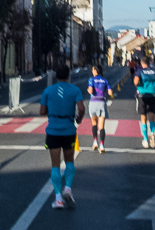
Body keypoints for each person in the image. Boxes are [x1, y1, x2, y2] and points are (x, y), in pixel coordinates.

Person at [39, 64, 85, 209]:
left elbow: (41, 111)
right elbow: (82, 108)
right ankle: (68, 188)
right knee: (69, 161)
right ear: (68, 76)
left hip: (53, 130)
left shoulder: (48, 90)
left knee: (55, 164)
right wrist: (78, 119)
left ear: (55, 76)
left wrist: (51, 110)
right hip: (69, 130)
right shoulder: (75, 90)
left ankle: (58, 198)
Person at [133, 56, 155, 149]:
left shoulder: (140, 71)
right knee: (152, 117)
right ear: (149, 63)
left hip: (142, 96)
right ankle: (152, 133)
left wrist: (139, 85)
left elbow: (136, 82)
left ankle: (145, 139)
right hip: (153, 95)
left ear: (141, 63)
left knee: (143, 117)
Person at [86, 64, 113, 153]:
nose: (92, 71)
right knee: (101, 126)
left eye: (93, 70)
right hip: (102, 102)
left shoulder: (91, 79)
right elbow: (110, 92)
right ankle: (102, 145)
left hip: (93, 102)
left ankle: (95, 142)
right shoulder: (105, 80)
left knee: (94, 123)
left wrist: (88, 90)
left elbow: (90, 90)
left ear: (96, 71)